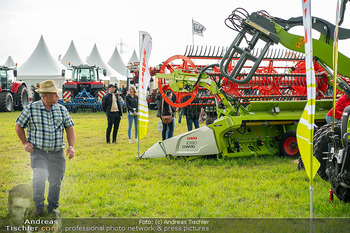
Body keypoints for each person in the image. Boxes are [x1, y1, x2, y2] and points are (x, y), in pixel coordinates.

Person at [14, 80, 75, 217]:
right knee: (39, 177)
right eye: (55, 94)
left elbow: (70, 128)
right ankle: (39, 207)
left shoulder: (62, 110)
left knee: (55, 182)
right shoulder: (31, 109)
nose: (58, 97)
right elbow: (18, 125)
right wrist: (25, 143)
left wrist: (71, 146)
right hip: (39, 152)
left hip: (57, 152)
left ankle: (52, 208)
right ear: (45, 95)